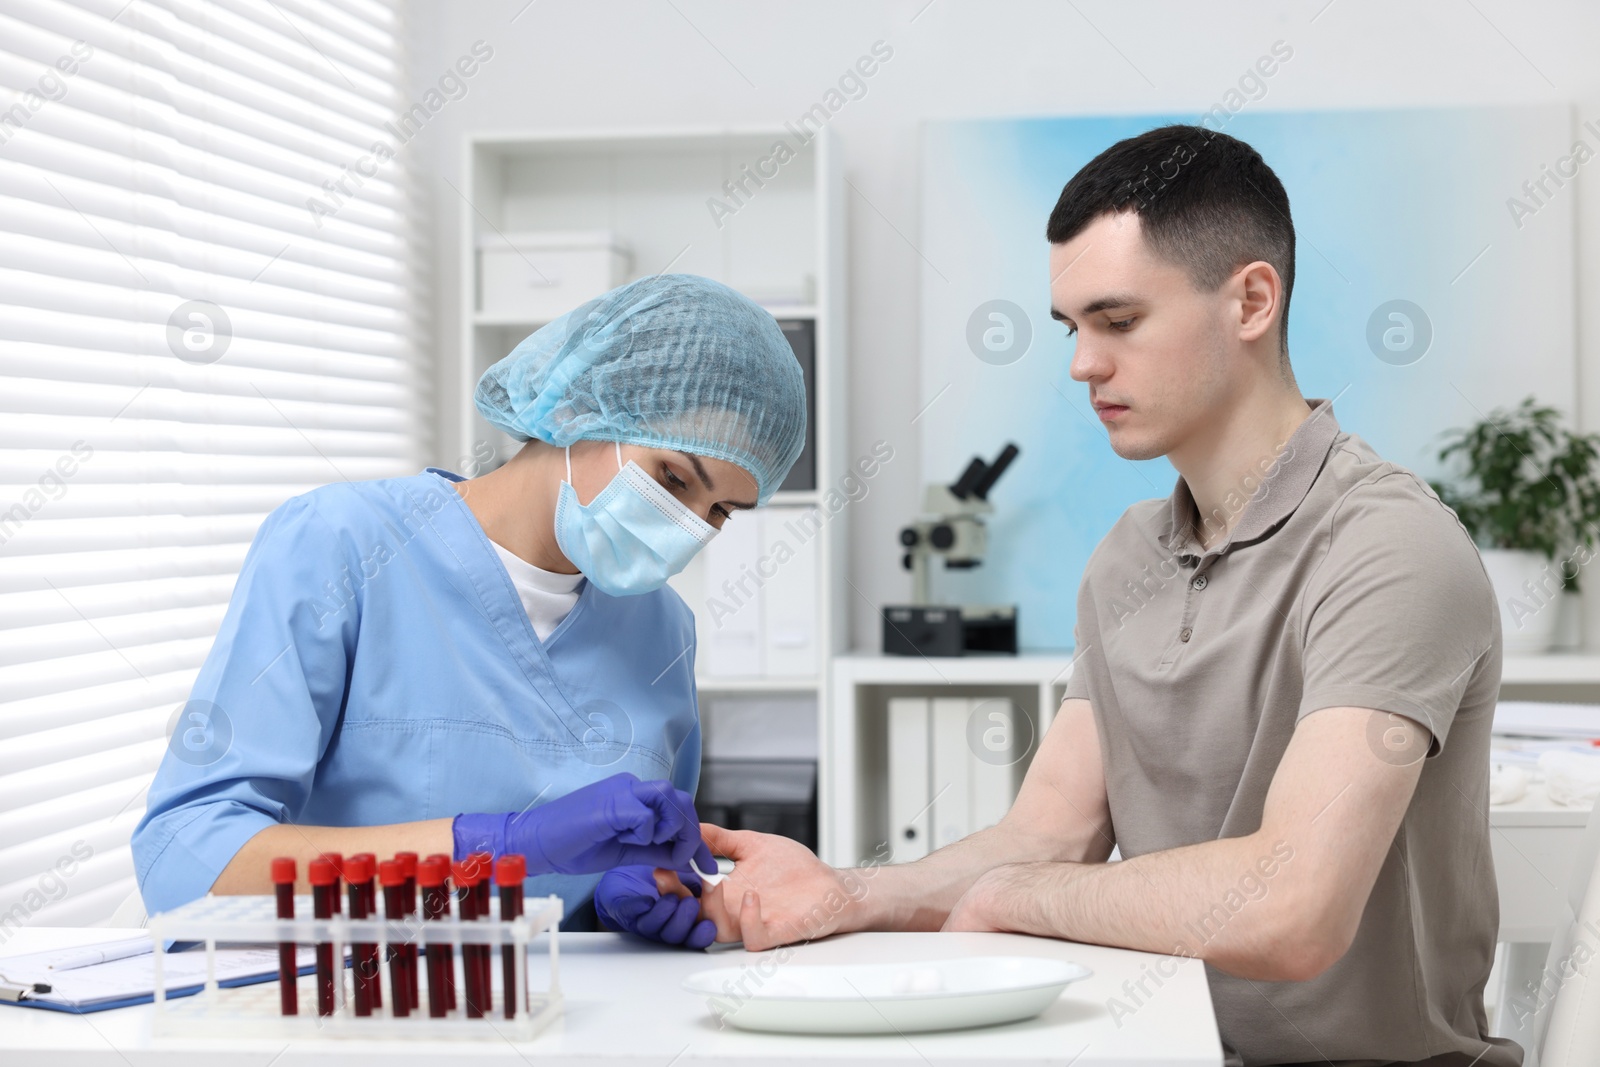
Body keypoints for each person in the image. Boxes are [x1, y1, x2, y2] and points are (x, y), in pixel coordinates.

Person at [691, 127, 1521, 1066]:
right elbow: (1046, 833)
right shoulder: (1127, 558)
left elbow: (1296, 908)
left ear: (1251, 299)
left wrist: (1018, 897)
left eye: (1118, 321)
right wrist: (845, 891)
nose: (1083, 364)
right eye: (1071, 328)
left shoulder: (1388, 545)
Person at [131, 274, 806, 939]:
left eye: (720, 509)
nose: (688, 524)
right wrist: (498, 845)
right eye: (674, 478)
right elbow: (185, 860)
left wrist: (622, 903)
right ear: (580, 407)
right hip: (354, 1020)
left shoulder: (664, 632)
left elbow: (631, 868)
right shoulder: (341, 547)